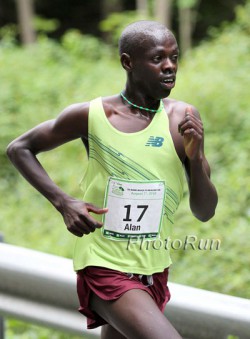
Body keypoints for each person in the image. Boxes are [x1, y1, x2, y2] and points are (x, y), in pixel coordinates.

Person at [7, 20, 218, 339]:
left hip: (153, 269)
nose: (170, 67)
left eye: (175, 57)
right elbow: (19, 148)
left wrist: (197, 154)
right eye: (158, 58)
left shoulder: (182, 118)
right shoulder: (93, 116)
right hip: (104, 266)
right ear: (127, 62)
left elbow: (205, 210)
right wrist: (63, 201)